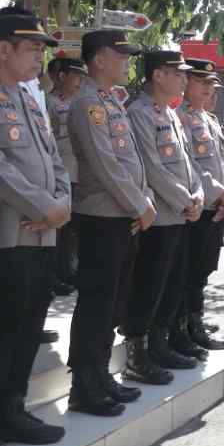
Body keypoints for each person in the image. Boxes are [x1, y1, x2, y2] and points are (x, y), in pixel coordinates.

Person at [0, 9, 69, 446]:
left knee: (28, 325)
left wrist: (61, 206)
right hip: (9, 235)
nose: (41, 57)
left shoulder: (28, 99)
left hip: (44, 232)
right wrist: (44, 206)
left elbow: (55, 160)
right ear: (3, 49)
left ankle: (12, 409)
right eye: (33, 48)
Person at [67, 30, 155, 416]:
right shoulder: (88, 103)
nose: (127, 61)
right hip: (102, 216)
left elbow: (131, 161)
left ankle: (101, 375)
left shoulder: (111, 101)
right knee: (96, 303)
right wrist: (139, 204)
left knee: (113, 302)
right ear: (99, 59)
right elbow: (104, 164)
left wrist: (143, 199)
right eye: (121, 55)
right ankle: (84, 385)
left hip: (123, 216)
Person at [123, 51, 206, 379]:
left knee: (172, 283)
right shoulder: (140, 113)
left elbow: (189, 163)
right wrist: (186, 200)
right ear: (158, 75)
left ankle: (160, 344)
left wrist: (198, 194)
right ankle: (137, 355)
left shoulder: (170, 114)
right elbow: (151, 167)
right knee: (149, 284)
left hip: (181, 213)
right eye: (178, 73)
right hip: (159, 216)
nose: (185, 80)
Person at [176, 59, 224, 351]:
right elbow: (190, 167)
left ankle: (195, 318)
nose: (210, 90)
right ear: (186, 82)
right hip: (196, 206)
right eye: (203, 82)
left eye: (212, 84)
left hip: (216, 207)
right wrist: (220, 193)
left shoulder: (208, 119)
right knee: (189, 270)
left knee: (204, 268)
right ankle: (185, 325)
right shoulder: (179, 117)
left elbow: (221, 164)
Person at [46, 58, 88, 297]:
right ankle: (55, 274)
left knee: (74, 230)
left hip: (81, 172)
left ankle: (70, 270)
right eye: (76, 76)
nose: (80, 81)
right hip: (60, 172)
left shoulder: (82, 103)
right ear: (61, 77)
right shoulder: (49, 102)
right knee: (59, 229)